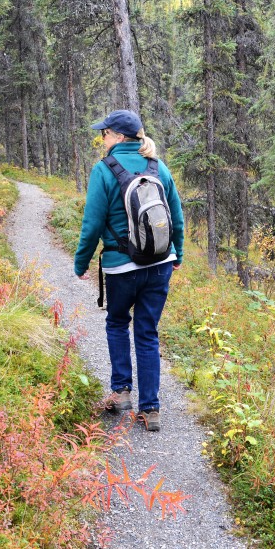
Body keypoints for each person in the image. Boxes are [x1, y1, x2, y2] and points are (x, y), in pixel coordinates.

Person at [74, 110, 184, 432]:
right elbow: (176, 217)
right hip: (161, 263)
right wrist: (178, 254)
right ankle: (151, 410)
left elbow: (92, 224)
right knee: (147, 332)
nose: (102, 138)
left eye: (105, 133)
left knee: (118, 322)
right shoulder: (158, 167)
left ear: (120, 137)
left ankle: (121, 392)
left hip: (122, 267)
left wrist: (81, 264)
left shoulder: (104, 171)